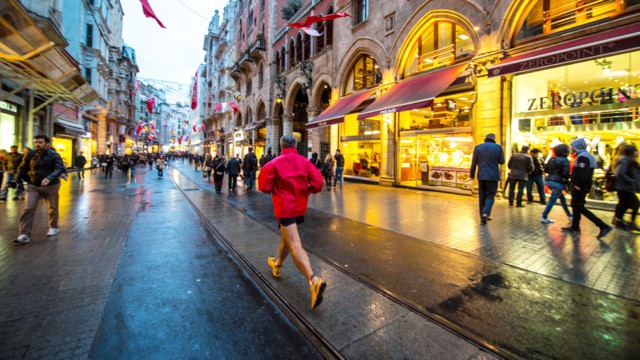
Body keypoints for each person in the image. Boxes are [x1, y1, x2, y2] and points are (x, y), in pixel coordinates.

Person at [258, 135, 326, 309]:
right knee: (287, 239)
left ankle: (313, 280)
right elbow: (318, 182)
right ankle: (278, 264)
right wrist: (308, 190)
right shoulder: (305, 162)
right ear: (295, 145)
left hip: (284, 209)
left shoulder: (273, 164)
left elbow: (263, 187)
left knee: (295, 244)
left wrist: (276, 188)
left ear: (281, 145)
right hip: (299, 208)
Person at [13, 135, 65, 244]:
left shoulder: (54, 155)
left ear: (47, 143)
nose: (38, 144)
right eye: (36, 142)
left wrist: (49, 178)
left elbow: (60, 168)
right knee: (28, 208)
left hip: (51, 186)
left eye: (40, 142)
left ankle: (53, 226)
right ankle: (24, 234)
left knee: (53, 208)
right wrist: (16, 179)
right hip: (33, 186)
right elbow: (22, 167)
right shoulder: (30, 154)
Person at [562, 138, 613, 239]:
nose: (571, 148)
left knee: (579, 206)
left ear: (577, 146)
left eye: (572, 146)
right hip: (582, 185)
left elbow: (583, 174)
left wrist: (577, 184)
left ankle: (603, 226)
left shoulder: (583, 157)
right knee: (575, 205)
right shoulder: (585, 155)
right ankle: (575, 226)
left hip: (580, 186)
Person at [470, 133, 505, 225]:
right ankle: (485, 213)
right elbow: (502, 161)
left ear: (485, 139)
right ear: (494, 139)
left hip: (481, 176)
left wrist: (472, 175)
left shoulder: (478, 147)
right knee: (490, 196)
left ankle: (482, 215)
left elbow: (474, 163)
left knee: (482, 197)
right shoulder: (498, 147)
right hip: (493, 176)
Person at [541, 144, 573, 224]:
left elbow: (546, 170)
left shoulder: (552, 159)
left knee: (562, 199)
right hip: (558, 183)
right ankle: (544, 216)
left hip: (549, 181)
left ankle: (569, 215)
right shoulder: (565, 160)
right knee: (552, 200)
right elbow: (566, 174)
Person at [612, 145, 640, 231]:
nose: (638, 152)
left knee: (623, 204)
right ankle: (629, 222)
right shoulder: (625, 160)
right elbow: (620, 173)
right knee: (635, 203)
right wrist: (631, 181)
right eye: (636, 151)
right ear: (631, 152)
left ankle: (619, 221)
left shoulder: (629, 160)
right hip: (624, 188)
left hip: (625, 188)